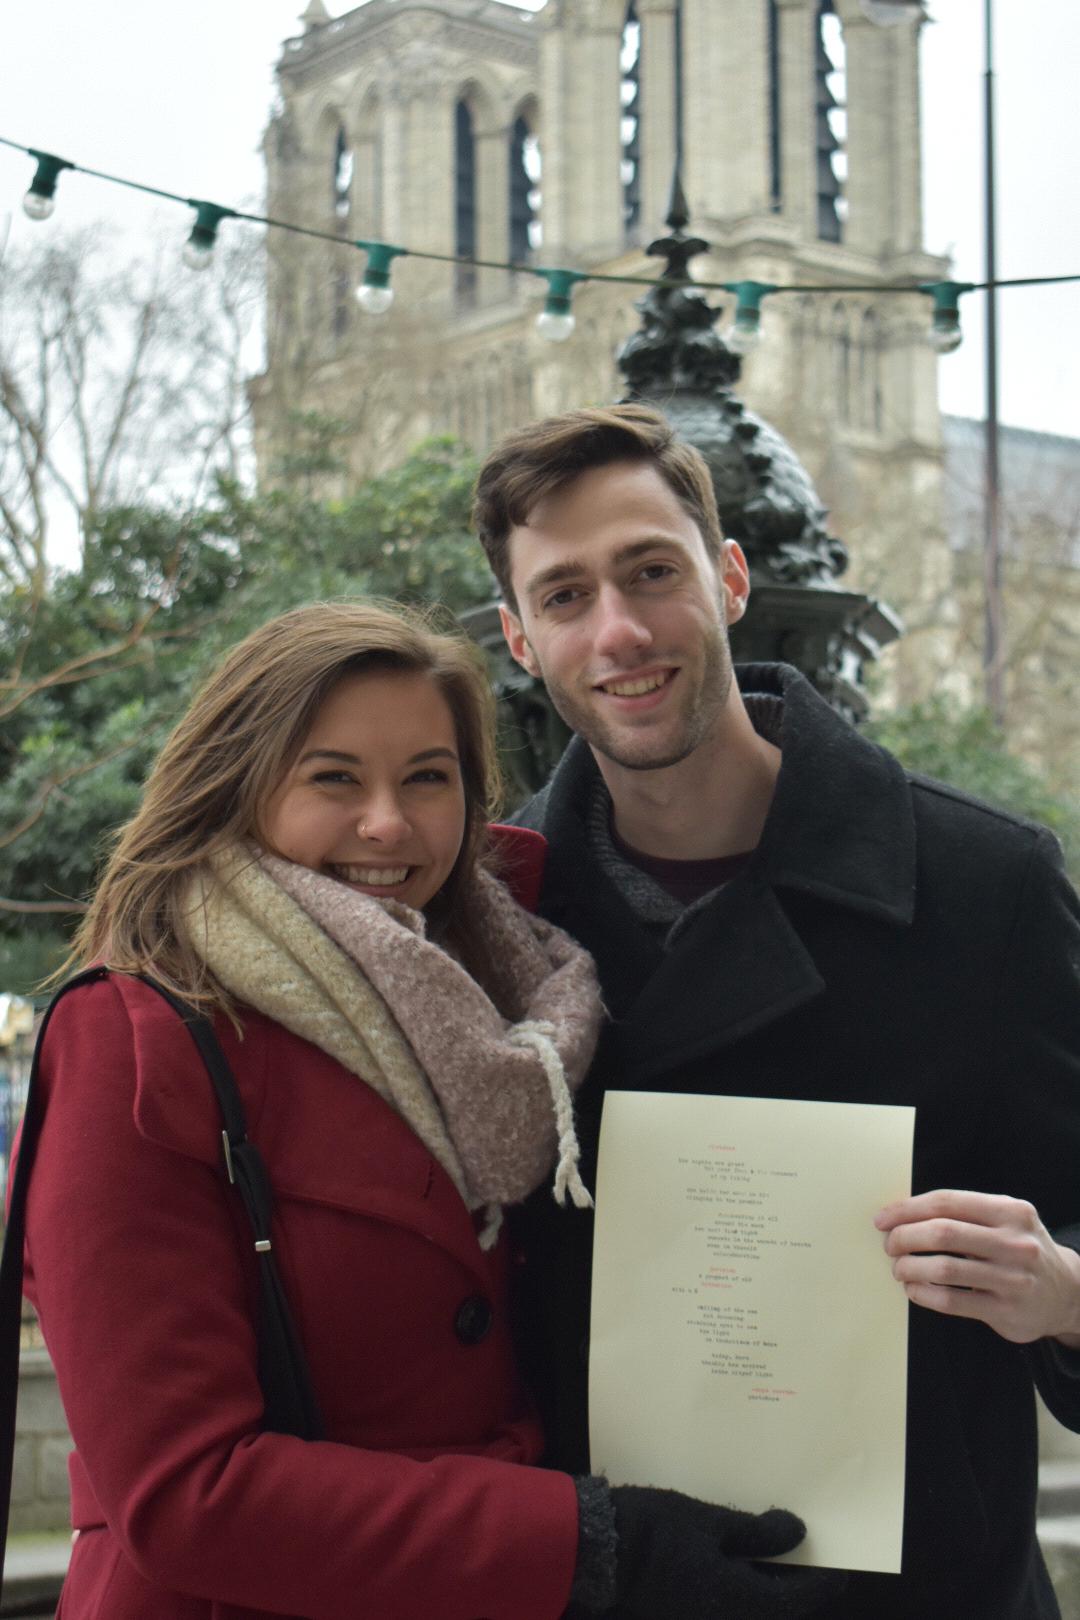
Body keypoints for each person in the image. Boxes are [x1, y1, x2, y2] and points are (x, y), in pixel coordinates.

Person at [18, 598, 835, 1620]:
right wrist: (591, 1546)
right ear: (236, 786)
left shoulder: (509, 993)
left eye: (427, 778)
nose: (388, 824)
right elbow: (185, 1492)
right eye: (333, 779)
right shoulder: (135, 1039)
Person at [473, 403, 1080, 1620]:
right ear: (521, 641)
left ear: (731, 578)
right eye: (566, 596)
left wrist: (1060, 1292)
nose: (621, 631)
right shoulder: (481, 926)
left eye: (653, 572)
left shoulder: (988, 886)